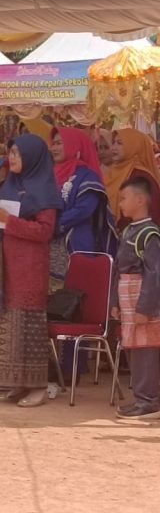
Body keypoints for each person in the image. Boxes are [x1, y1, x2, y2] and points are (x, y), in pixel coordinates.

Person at [0, 134, 62, 408]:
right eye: (11, 152)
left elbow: (44, 232)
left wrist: (9, 220)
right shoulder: (8, 185)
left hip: (29, 266)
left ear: (33, 157)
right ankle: (16, 383)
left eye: (17, 153)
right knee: (8, 325)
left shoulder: (44, 189)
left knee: (28, 325)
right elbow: (1, 226)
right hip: (5, 263)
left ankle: (37, 386)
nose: (12, 157)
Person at [111, 178, 160, 420]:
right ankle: (141, 397)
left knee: (146, 349)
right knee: (132, 348)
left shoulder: (150, 234)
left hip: (141, 301)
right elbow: (117, 270)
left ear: (140, 200)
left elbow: (154, 274)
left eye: (123, 198)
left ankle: (150, 401)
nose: (120, 204)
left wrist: (145, 308)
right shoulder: (128, 230)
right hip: (127, 298)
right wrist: (115, 302)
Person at [51, 127, 114, 280]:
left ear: (73, 145)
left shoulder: (87, 176)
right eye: (53, 143)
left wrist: (55, 224)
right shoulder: (50, 174)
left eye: (59, 143)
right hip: (48, 244)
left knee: (75, 289)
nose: (54, 148)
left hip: (76, 242)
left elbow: (84, 208)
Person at [105, 128, 160, 230]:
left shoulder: (140, 176)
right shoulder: (113, 172)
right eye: (113, 143)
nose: (114, 148)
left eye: (120, 143)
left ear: (134, 146)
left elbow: (151, 212)